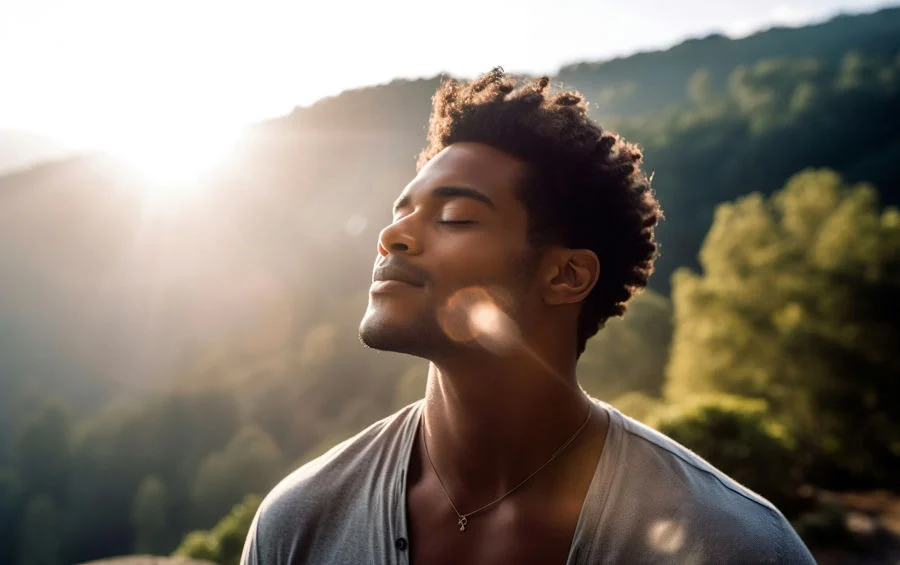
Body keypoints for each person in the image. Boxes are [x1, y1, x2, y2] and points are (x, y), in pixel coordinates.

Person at [240, 68, 815, 564]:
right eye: (401, 211)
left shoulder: (732, 544)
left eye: (456, 217)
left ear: (566, 276)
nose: (393, 236)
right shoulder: (298, 523)